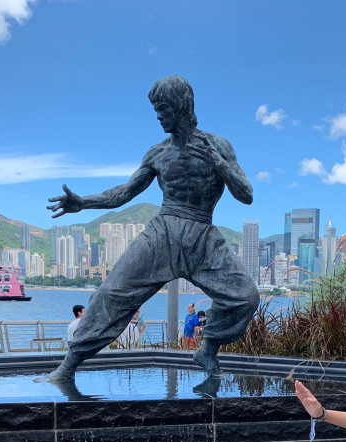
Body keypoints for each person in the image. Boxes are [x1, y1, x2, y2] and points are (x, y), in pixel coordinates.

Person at [44, 76, 259, 381]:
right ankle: (68, 366)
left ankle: (208, 348)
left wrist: (220, 163)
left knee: (246, 297)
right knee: (110, 294)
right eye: (156, 110)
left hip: (202, 236)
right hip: (163, 234)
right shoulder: (157, 153)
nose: (158, 116)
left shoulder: (218, 146)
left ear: (182, 106)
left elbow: (246, 195)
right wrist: (83, 203)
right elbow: (123, 193)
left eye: (164, 109)